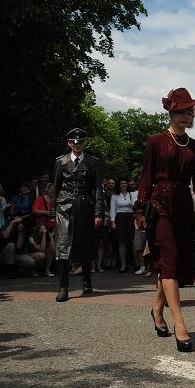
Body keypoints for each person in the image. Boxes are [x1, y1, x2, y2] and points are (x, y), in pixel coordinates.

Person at [135, 88, 195, 352]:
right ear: (171, 112)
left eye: (190, 111)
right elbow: (145, 178)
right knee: (168, 259)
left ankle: (157, 310)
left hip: (183, 208)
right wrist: (139, 209)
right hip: (159, 205)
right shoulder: (155, 141)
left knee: (173, 263)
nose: (187, 115)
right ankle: (180, 324)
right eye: (182, 111)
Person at [51, 128, 105, 302]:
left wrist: (98, 213)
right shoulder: (61, 162)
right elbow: (56, 186)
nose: (77, 145)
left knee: (85, 244)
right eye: (74, 142)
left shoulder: (93, 162)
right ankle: (63, 287)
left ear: (84, 143)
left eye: (80, 142)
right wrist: (53, 212)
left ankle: (87, 280)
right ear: (68, 143)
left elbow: (98, 189)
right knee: (63, 245)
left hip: (85, 205)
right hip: (64, 205)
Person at [109, 177, 137, 273]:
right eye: (121, 183)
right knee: (122, 242)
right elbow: (112, 209)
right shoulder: (115, 195)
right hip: (119, 218)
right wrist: (112, 222)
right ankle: (123, 265)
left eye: (125, 183)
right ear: (119, 185)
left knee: (133, 241)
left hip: (130, 217)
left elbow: (135, 206)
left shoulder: (131, 194)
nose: (123, 185)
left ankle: (137, 264)